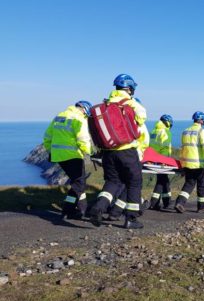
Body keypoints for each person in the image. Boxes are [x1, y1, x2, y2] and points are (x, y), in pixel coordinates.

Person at [88, 74, 149, 229]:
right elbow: (142, 118)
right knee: (134, 182)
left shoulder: (106, 104)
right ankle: (131, 219)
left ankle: (99, 207)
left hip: (108, 152)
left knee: (112, 182)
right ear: (130, 88)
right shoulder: (130, 103)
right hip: (127, 150)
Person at [43, 100, 94, 219]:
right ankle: (73, 210)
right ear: (84, 110)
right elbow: (83, 139)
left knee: (77, 182)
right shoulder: (79, 118)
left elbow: (47, 137)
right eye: (87, 114)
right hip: (73, 155)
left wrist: (51, 151)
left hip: (58, 156)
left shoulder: (59, 116)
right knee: (79, 183)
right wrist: (90, 152)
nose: (87, 117)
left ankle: (75, 209)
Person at [174, 111, 204, 213]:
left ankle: (179, 202)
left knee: (189, 184)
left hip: (187, 164)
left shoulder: (185, 131)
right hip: (199, 164)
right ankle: (202, 206)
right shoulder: (201, 131)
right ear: (202, 120)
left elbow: (183, 149)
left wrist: (182, 164)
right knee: (202, 185)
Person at [149, 114, 174, 210]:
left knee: (164, 180)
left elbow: (151, 146)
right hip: (161, 160)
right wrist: (164, 161)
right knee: (161, 181)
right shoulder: (166, 132)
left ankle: (166, 202)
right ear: (168, 123)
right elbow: (165, 148)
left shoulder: (154, 131)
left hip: (153, 159)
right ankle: (154, 203)